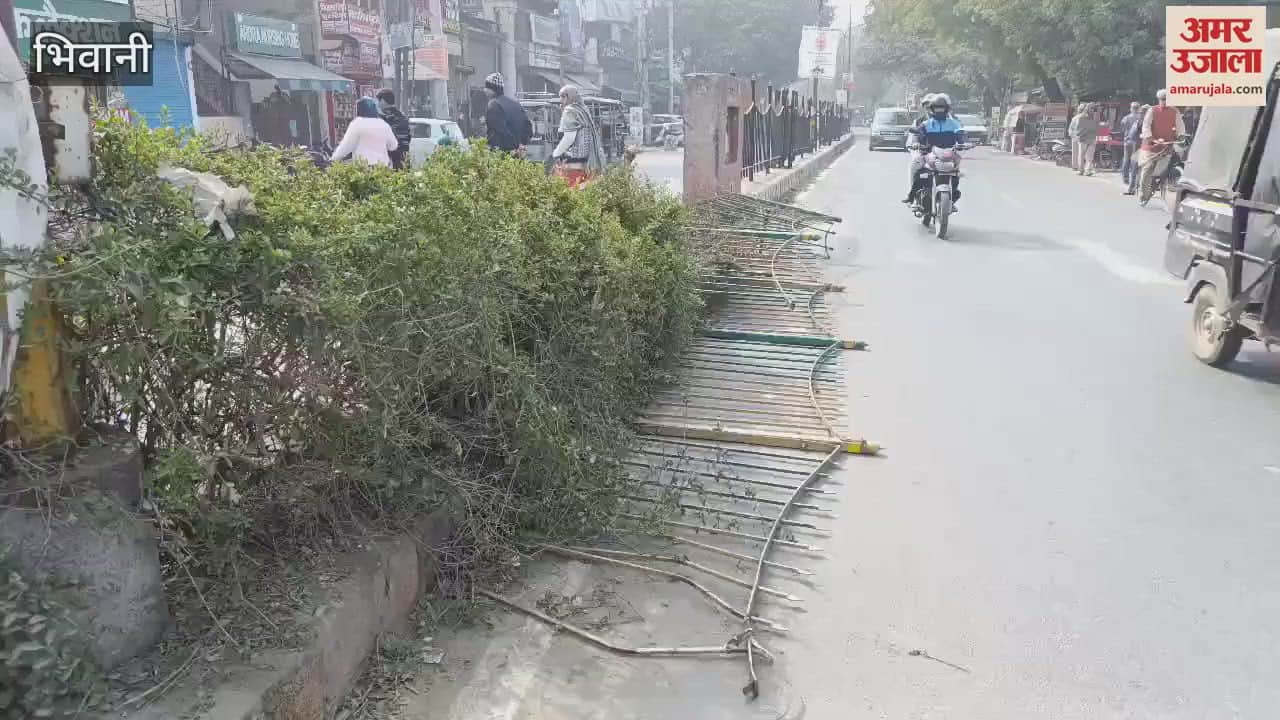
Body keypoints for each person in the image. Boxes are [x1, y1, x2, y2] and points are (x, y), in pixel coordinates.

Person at [902, 93, 966, 205]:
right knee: (917, 169)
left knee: (956, 172)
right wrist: (916, 143)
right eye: (937, 108)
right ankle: (911, 195)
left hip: (948, 154)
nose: (939, 111)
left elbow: (961, 135)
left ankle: (954, 193)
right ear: (932, 109)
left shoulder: (954, 123)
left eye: (942, 108)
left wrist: (964, 143)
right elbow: (917, 135)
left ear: (947, 109)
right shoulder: (925, 123)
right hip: (929, 154)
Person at [551, 84, 606, 188]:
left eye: (563, 96)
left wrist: (555, 154)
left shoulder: (570, 111)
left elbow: (569, 138)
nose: (560, 100)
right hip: (586, 163)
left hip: (572, 165)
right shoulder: (583, 109)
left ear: (570, 97)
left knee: (569, 195)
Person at [1137, 89, 1187, 202]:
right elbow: (1146, 126)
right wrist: (1150, 138)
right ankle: (1143, 192)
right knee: (1148, 168)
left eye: (1167, 99)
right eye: (1163, 99)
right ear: (1159, 100)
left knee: (1166, 168)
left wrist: (1181, 137)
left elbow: (1180, 127)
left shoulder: (1175, 111)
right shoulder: (1152, 110)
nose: (1165, 102)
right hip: (1151, 146)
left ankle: (1163, 184)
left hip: (1167, 146)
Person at [330, 96, 397, 167]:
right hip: (383, 167)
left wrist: (334, 158)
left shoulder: (357, 123)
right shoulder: (384, 124)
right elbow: (393, 146)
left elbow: (346, 146)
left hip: (364, 168)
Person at [482, 72, 532, 154]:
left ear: (492, 89)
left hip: (500, 155)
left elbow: (501, 131)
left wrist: (513, 146)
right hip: (518, 156)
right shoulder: (516, 104)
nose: (484, 90)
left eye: (486, 87)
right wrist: (522, 144)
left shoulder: (493, 105)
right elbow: (528, 127)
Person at [376, 89, 411, 169]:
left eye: (379, 101)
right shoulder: (403, 117)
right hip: (404, 158)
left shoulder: (385, 118)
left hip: (391, 160)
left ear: (383, 101)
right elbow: (408, 138)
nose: (378, 104)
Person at [1125, 104, 1149, 195]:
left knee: (1139, 170)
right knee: (1135, 169)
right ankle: (1133, 188)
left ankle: (1136, 189)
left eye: (1142, 112)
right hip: (1137, 148)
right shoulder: (1139, 121)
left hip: (1143, 148)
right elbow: (1132, 134)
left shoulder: (1146, 122)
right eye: (1139, 112)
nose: (1140, 114)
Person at [1118, 101, 1141, 187]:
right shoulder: (1141, 118)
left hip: (1127, 141)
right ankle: (1134, 179)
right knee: (1135, 160)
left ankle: (1125, 178)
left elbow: (1122, 128)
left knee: (1126, 159)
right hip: (1138, 141)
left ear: (1131, 108)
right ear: (1138, 108)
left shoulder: (1126, 118)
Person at [1074, 103, 1100, 176]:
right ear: (1087, 109)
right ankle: (1081, 170)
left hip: (1092, 138)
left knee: (1090, 156)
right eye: (1091, 108)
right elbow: (1078, 128)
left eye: (1093, 108)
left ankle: (1087, 170)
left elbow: (1097, 127)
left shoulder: (1095, 117)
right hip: (1083, 139)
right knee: (1081, 155)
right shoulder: (1081, 117)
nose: (1092, 110)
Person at [1067, 103, 1084, 171]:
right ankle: (1081, 167)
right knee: (1081, 153)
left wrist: (1072, 135)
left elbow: (1070, 128)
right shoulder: (1085, 117)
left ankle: (1075, 166)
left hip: (1075, 136)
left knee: (1075, 152)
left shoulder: (1075, 118)